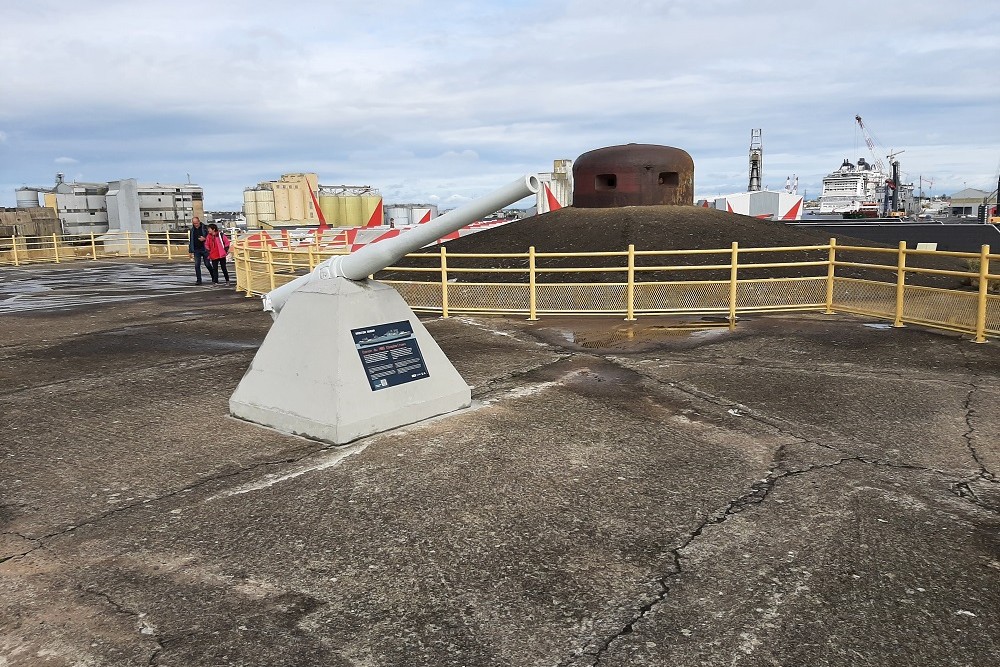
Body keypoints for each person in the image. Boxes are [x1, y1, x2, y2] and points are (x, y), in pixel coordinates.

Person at [187, 217, 212, 285]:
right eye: (194, 223)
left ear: (199, 221)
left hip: (204, 249)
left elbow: (211, 237)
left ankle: (214, 277)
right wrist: (190, 250)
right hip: (196, 250)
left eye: (197, 223)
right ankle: (199, 280)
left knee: (207, 264)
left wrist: (205, 238)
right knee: (197, 265)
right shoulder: (192, 230)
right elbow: (191, 240)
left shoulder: (205, 228)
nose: (196, 224)